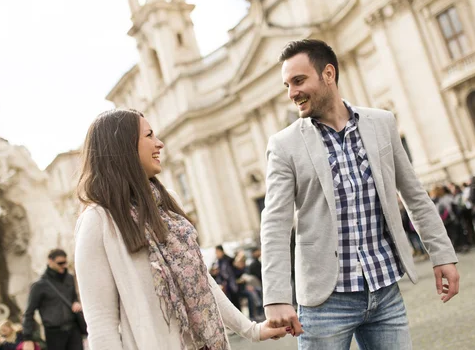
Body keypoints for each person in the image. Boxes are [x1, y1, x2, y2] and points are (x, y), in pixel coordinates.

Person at [261, 39, 459, 350]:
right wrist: (276, 297)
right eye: (287, 85)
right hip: (325, 303)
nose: (291, 93)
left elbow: (414, 195)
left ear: (329, 74)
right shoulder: (284, 145)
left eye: (299, 81)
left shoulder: (382, 122)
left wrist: (442, 254)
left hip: (385, 290)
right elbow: (275, 223)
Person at [73, 109, 288, 349]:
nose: (160, 143)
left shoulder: (167, 204)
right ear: (124, 147)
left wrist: (252, 330)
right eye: (149, 136)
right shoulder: (97, 221)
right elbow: (102, 324)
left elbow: (201, 282)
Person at [21, 249, 83, 350]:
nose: (64, 266)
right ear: (50, 261)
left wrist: (76, 303)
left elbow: (74, 298)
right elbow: (28, 312)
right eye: (60, 263)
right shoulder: (39, 285)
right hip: (54, 333)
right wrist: (27, 338)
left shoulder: (70, 278)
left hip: (73, 329)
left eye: (65, 262)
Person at [214, 245, 240, 309]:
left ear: (221, 251)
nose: (216, 254)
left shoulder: (229, 259)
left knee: (235, 301)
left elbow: (235, 270)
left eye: (217, 252)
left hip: (231, 283)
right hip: (225, 284)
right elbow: (220, 273)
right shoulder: (218, 261)